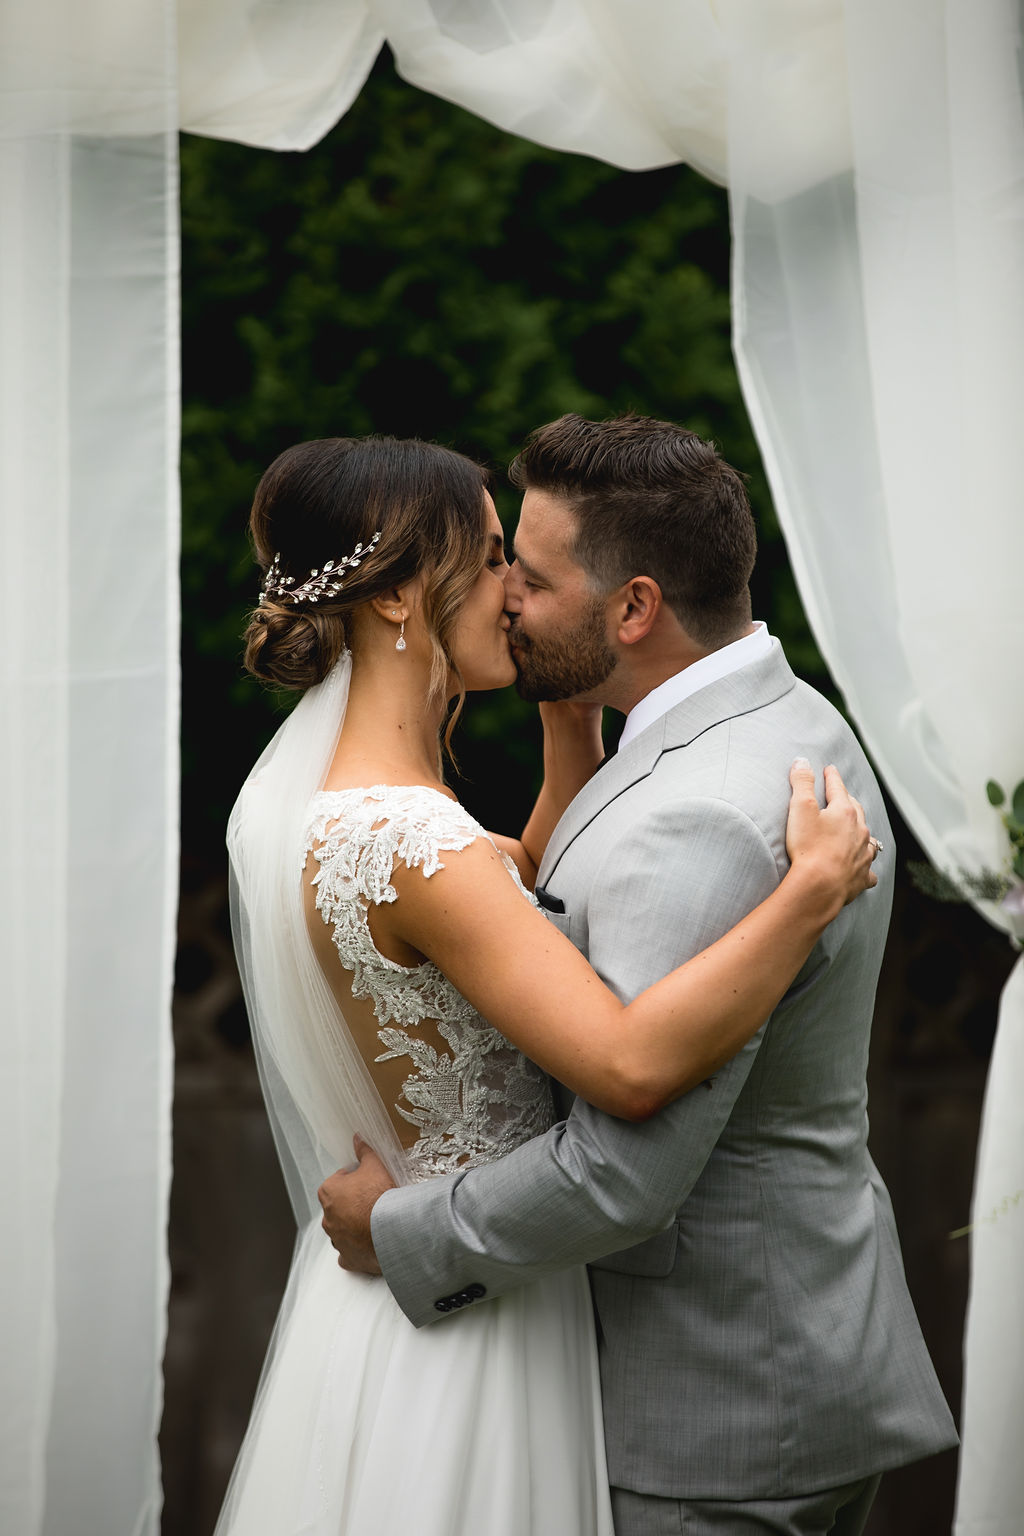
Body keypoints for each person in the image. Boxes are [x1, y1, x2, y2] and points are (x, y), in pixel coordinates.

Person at [218, 431, 878, 1536]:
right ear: (396, 598)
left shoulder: (320, 807)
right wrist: (805, 896)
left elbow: (507, 913)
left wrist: (568, 723)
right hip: (478, 1325)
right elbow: (625, 1063)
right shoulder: (418, 842)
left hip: (393, 1302)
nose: (512, 595)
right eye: (490, 561)